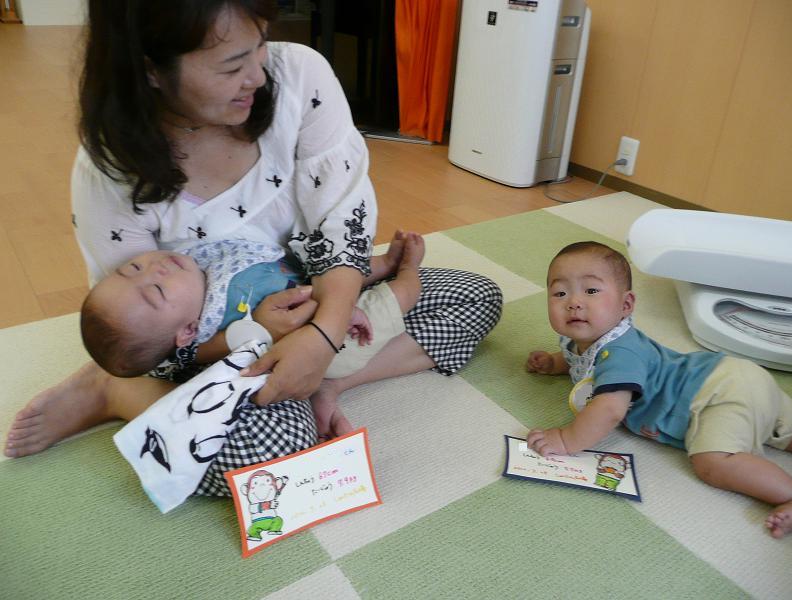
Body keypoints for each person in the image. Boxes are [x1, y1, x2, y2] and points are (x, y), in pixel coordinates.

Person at [3, 0, 503, 500]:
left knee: (475, 296)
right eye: (231, 65)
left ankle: (326, 382)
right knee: (271, 455)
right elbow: (143, 326)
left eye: (260, 44)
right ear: (151, 70)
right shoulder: (111, 167)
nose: (258, 77)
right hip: (215, 349)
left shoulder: (300, 77)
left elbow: (341, 226)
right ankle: (115, 389)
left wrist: (323, 339)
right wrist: (259, 335)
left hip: (323, 294)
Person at [525, 241, 792, 538]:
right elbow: (580, 362)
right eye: (560, 293)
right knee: (785, 428)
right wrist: (554, 364)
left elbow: (609, 409)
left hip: (713, 396)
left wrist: (567, 440)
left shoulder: (620, 352)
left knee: (712, 463)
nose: (574, 302)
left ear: (626, 305)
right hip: (731, 375)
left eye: (591, 291)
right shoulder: (578, 339)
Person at [80, 231, 426, 436]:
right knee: (404, 295)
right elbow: (302, 317)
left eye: (134, 267)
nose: (155, 268)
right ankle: (407, 269)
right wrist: (341, 313)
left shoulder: (204, 270)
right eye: (157, 290)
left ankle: (382, 265)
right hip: (334, 337)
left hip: (322, 293)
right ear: (187, 330)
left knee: (474, 296)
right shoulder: (226, 319)